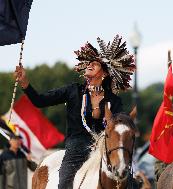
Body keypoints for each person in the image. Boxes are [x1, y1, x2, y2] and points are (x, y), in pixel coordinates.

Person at [14, 35, 135, 189]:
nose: (89, 66)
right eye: (89, 63)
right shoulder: (73, 91)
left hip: (103, 150)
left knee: (131, 183)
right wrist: (25, 84)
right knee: (64, 184)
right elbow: (40, 100)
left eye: (95, 64)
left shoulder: (114, 101)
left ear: (104, 73)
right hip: (75, 150)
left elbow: (119, 129)